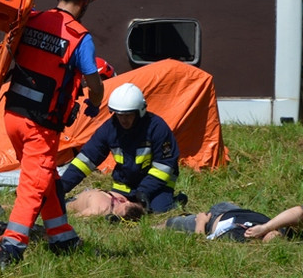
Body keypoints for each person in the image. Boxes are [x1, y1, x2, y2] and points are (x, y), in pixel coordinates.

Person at [0, 0, 105, 269]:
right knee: (34, 182)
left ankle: (61, 236)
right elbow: (93, 82)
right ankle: (11, 247)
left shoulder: (30, 20)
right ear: (86, 0)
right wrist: (95, 102)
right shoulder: (79, 37)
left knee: (46, 178)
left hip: (12, 115)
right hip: (41, 125)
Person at [59, 83, 182, 214]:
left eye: (128, 115)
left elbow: (164, 166)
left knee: (157, 211)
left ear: (140, 111)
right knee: (116, 210)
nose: (123, 120)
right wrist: (62, 187)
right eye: (119, 115)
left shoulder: (157, 128)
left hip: (158, 184)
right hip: (126, 186)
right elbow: (86, 159)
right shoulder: (109, 129)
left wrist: (144, 191)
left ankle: (176, 200)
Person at [162, 202, 300, 242]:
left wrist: (201, 222)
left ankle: (144, 228)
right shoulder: (284, 230)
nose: (273, 236)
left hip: (209, 222)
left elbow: (201, 244)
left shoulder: (245, 242)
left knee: (170, 224)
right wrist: (265, 228)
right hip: (232, 208)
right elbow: (299, 211)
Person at [67, 189, 147, 221]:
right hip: (70, 201)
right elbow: (74, 218)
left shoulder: (120, 198)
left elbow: (74, 218)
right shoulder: (101, 209)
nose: (128, 201)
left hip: (70, 201)